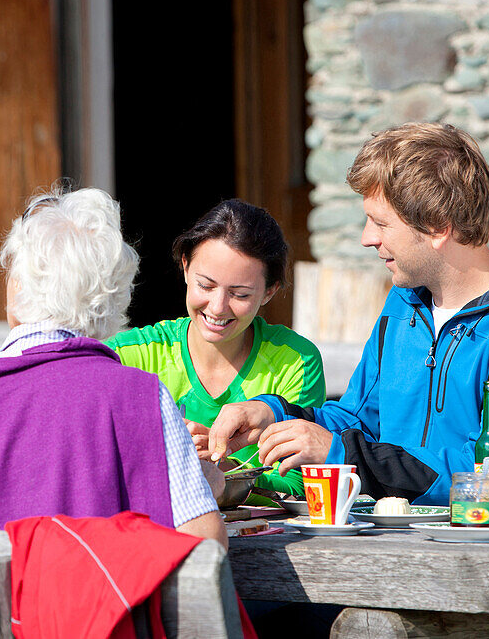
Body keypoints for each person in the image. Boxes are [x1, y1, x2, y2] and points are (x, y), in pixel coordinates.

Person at [208, 123, 489, 522]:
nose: (366, 238)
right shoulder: (405, 305)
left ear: (439, 227)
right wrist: (276, 416)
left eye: (381, 223)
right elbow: (359, 422)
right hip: (397, 541)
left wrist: (340, 454)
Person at [0, 186, 227, 546]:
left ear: (16, 289)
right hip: (86, 602)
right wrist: (203, 484)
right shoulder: (140, 397)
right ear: (116, 300)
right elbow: (205, 546)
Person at [107, 199, 326, 497]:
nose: (218, 307)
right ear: (185, 267)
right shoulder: (128, 354)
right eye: (206, 286)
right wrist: (154, 448)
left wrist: (223, 470)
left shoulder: (296, 360)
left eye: (240, 294)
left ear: (269, 292)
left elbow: (301, 485)